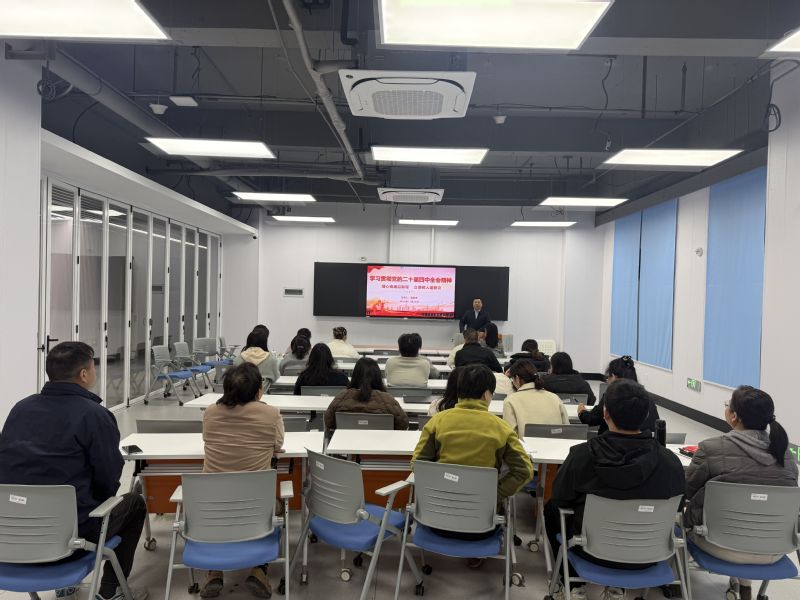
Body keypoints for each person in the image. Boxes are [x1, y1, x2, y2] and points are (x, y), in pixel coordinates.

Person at [0, 342, 148, 600]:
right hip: (70, 541)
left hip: (12, 536)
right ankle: (111, 591)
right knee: (134, 503)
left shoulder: (20, 409)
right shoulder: (95, 415)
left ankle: (66, 587)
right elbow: (108, 478)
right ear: (84, 374)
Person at [545, 379, 686, 600]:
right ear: (646, 415)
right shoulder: (670, 462)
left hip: (591, 551)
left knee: (551, 510)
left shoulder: (581, 456)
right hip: (649, 555)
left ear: (605, 413)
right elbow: (677, 507)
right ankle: (617, 589)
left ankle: (573, 584)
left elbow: (561, 499)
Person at [685, 386, 798, 600]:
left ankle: (674, 584)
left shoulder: (710, 448)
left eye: (728, 405)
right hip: (772, 550)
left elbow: (687, 491)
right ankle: (744, 585)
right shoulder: (787, 457)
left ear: (734, 416)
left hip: (717, 544)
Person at [413, 364, 533, 544]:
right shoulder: (502, 429)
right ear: (486, 394)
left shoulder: (437, 422)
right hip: (482, 525)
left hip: (435, 520)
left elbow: (418, 465)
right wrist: (494, 494)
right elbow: (524, 471)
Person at [201, 362, 285, 598]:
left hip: (212, 505)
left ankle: (214, 571)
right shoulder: (271, 414)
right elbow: (278, 444)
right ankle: (259, 569)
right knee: (280, 507)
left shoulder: (210, 412)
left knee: (222, 512)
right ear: (259, 392)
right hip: (257, 506)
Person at [578, 356, 659, 434]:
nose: (607, 381)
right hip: (645, 441)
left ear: (613, 376)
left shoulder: (612, 397)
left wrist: (582, 412)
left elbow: (591, 419)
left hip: (613, 442)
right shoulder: (647, 397)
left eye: (608, 377)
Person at [324, 358, 409, 431]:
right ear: (378, 377)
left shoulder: (342, 396)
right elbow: (403, 424)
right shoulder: (387, 399)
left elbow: (329, 422)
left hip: (347, 444)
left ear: (355, 375)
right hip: (382, 443)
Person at [502, 360, 569, 434]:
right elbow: (567, 429)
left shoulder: (510, 401)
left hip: (525, 442)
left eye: (512, 379)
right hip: (555, 440)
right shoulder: (555, 398)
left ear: (517, 379)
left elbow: (511, 435)